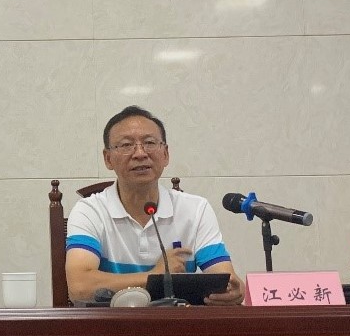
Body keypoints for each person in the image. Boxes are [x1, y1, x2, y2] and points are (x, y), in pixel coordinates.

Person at [65, 106, 245, 305]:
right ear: (108, 159)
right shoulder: (89, 211)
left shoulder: (195, 209)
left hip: (178, 323)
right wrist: (157, 275)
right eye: (126, 145)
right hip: (110, 323)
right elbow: (79, 287)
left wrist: (233, 292)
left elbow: (226, 279)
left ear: (165, 154)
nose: (140, 153)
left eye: (150, 143)